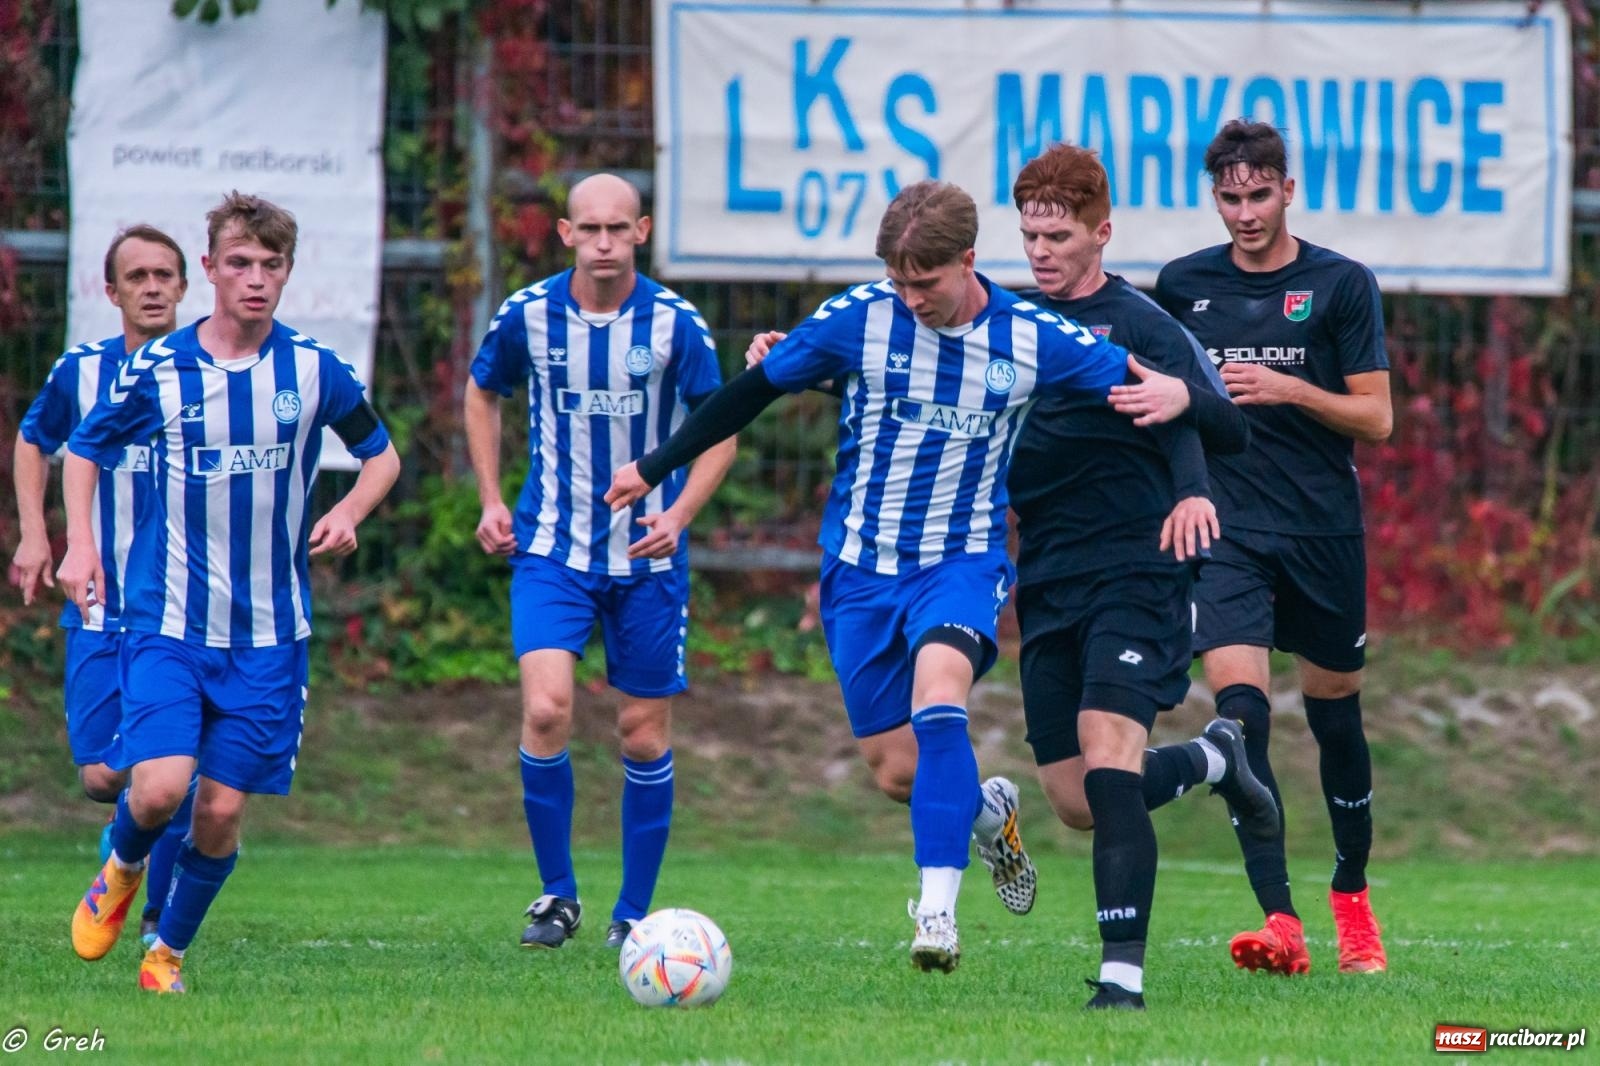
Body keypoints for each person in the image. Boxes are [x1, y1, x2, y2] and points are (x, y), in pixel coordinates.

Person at [607, 179, 1135, 974]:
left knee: (939, 698)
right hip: (858, 570)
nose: (911, 296)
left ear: (966, 260)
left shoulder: (1032, 336)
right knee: (897, 774)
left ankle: (937, 915)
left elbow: (1144, 385)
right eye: (898, 280)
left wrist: (1199, 451)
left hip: (961, 562)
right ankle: (988, 814)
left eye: (925, 281)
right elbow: (749, 393)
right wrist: (654, 467)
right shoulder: (859, 318)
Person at [58, 192, 401, 993]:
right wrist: (81, 543)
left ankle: (165, 954)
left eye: (269, 265)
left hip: (270, 635)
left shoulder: (312, 370)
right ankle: (122, 864)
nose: (254, 279)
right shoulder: (161, 368)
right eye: (238, 263)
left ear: (287, 272)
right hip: (167, 624)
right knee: (159, 786)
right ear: (209, 270)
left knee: (218, 813)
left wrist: (348, 510)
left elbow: (379, 455)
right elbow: (83, 452)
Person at [1001, 143, 1281, 1009]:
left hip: (1140, 568)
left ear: (1102, 233)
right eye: (1030, 235)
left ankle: (1121, 978)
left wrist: (1180, 403)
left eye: (1058, 235)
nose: (1041, 251)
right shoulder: (1011, 323)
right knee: (1077, 799)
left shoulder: (1145, 325)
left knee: (1109, 749)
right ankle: (1215, 758)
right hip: (1048, 576)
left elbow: (1228, 426)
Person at [464, 173, 737, 952]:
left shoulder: (677, 326)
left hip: (648, 560)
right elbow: (484, 395)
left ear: (643, 231)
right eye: (592, 230)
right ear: (566, 234)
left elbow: (722, 427)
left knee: (641, 734)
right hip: (552, 548)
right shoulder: (529, 316)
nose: (606, 244)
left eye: (620, 229)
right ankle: (556, 896)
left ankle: (633, 915)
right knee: (547, 709)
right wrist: (491, 498)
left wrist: (679, 515)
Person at [1154, 119, 1393, 976]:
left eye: (1260, 194)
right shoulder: (1183, 286)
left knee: (1336, 720)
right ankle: (1281, 920)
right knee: (1240, 718)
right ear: (1214, 194)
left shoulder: (1340, 284)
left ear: (1288, 189)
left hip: (1324, 530)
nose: (1245, 212)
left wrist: (1290, 388)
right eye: (1230, 196)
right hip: (1227, 530)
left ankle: (1352, 898)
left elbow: (1377, 416)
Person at [11, 224, 195, 947]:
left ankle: (152, 911)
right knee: (98, 776)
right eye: (138, 276)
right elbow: (34, 440)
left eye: (165, 275)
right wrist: (35, 532)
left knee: (165, 762)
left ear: (185, 286)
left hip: (180, 606)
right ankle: (131, 836)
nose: (152, 287)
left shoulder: (211, 370)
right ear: (111, 290)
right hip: (98, 602)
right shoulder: (81, 372)